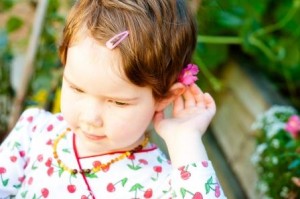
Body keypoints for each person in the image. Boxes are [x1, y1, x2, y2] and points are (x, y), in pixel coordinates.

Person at [0, 0, 226, 198]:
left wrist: (185, 139)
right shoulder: (34, 133)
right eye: (77, 88)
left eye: (118, 102)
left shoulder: (160, 184)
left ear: (164, 97)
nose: (91, 117)